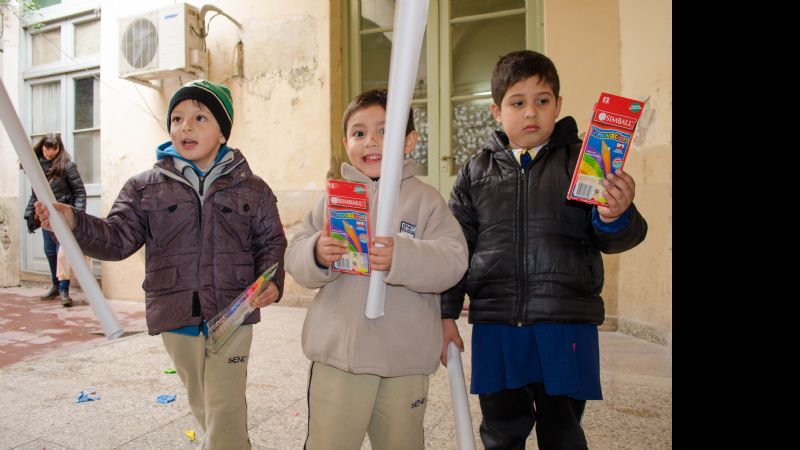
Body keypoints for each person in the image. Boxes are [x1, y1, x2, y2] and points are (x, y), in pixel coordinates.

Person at [35, 80, 287, 450]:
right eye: (177, 118)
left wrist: (273, 281)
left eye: (200, 118)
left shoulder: (253, 188)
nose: (186, 127)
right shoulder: (144, 187)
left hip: (234, 312)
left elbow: (271, 241)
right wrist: (73, 221)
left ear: (222, 132)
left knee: (226, 405)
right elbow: (117, 238)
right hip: (176, 314)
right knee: (203, 402)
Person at [441, 50, 648, 450]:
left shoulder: (586, 162)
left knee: (563, 431)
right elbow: (456, 247)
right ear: (497, 111)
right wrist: (446, 313)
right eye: (517, 102)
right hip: (498, 325)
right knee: (501, 430)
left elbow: (617, 237)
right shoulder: (475, 172)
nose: (531, 112)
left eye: (542, 100)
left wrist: (615, 214)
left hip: (564, 323)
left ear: (558, 105)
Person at [286, 88, 468, 450]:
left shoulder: (426, 200)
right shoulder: (334, 199)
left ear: (409, 141)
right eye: (359, 132)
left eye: (385, 130)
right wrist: (317, 253)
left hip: (404, 364)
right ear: (346, 143)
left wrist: (403, 257)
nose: (371, 140)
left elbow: (453, 260)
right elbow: (295, 254)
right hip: (338, 361)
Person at [23, 133, 86, 307]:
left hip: (63, 216)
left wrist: (78, 216)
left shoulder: (67, 166)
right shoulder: (37, 167)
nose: (49, 151)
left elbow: (80, 192)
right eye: (47, 147)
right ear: (42, 146)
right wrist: (29, 214)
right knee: (50, 251)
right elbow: (35, 194)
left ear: (59, 148)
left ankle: (64, 290)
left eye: (54, 147)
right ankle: (56, 286)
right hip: (46, 216)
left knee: (62, 254)